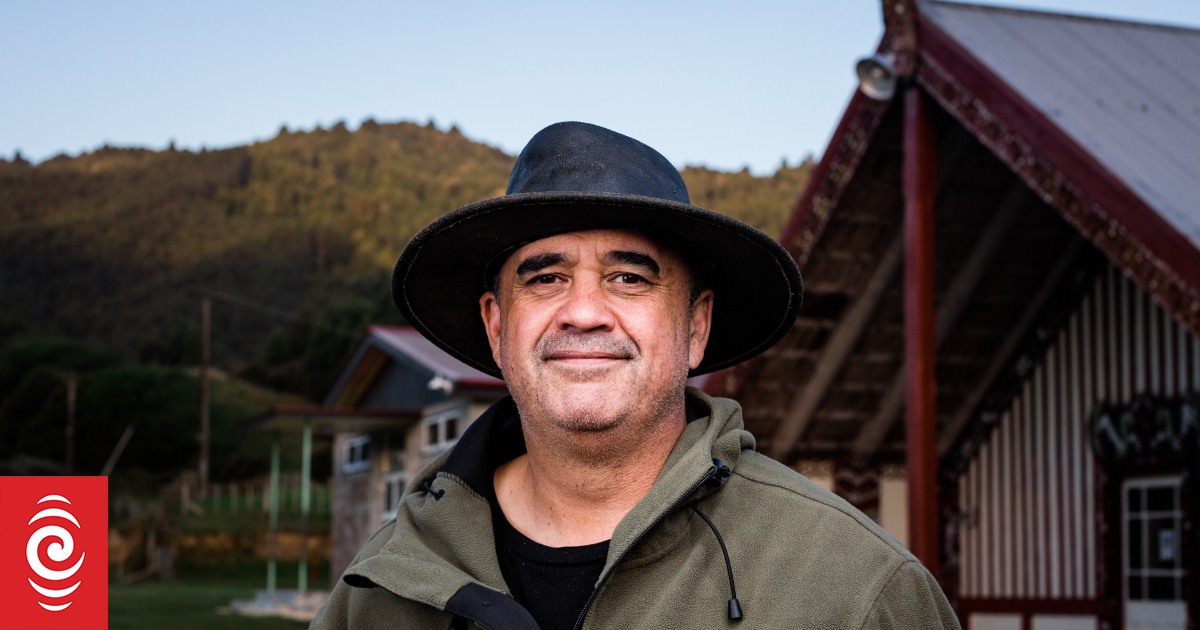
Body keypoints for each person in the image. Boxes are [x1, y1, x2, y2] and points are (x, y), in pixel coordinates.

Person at [310, 122, 959, 629]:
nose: (584, 312)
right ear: (497, 326)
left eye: (628, 277)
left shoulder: (857, 590)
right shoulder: (384, 585)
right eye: (546, 278)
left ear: (696, 326)